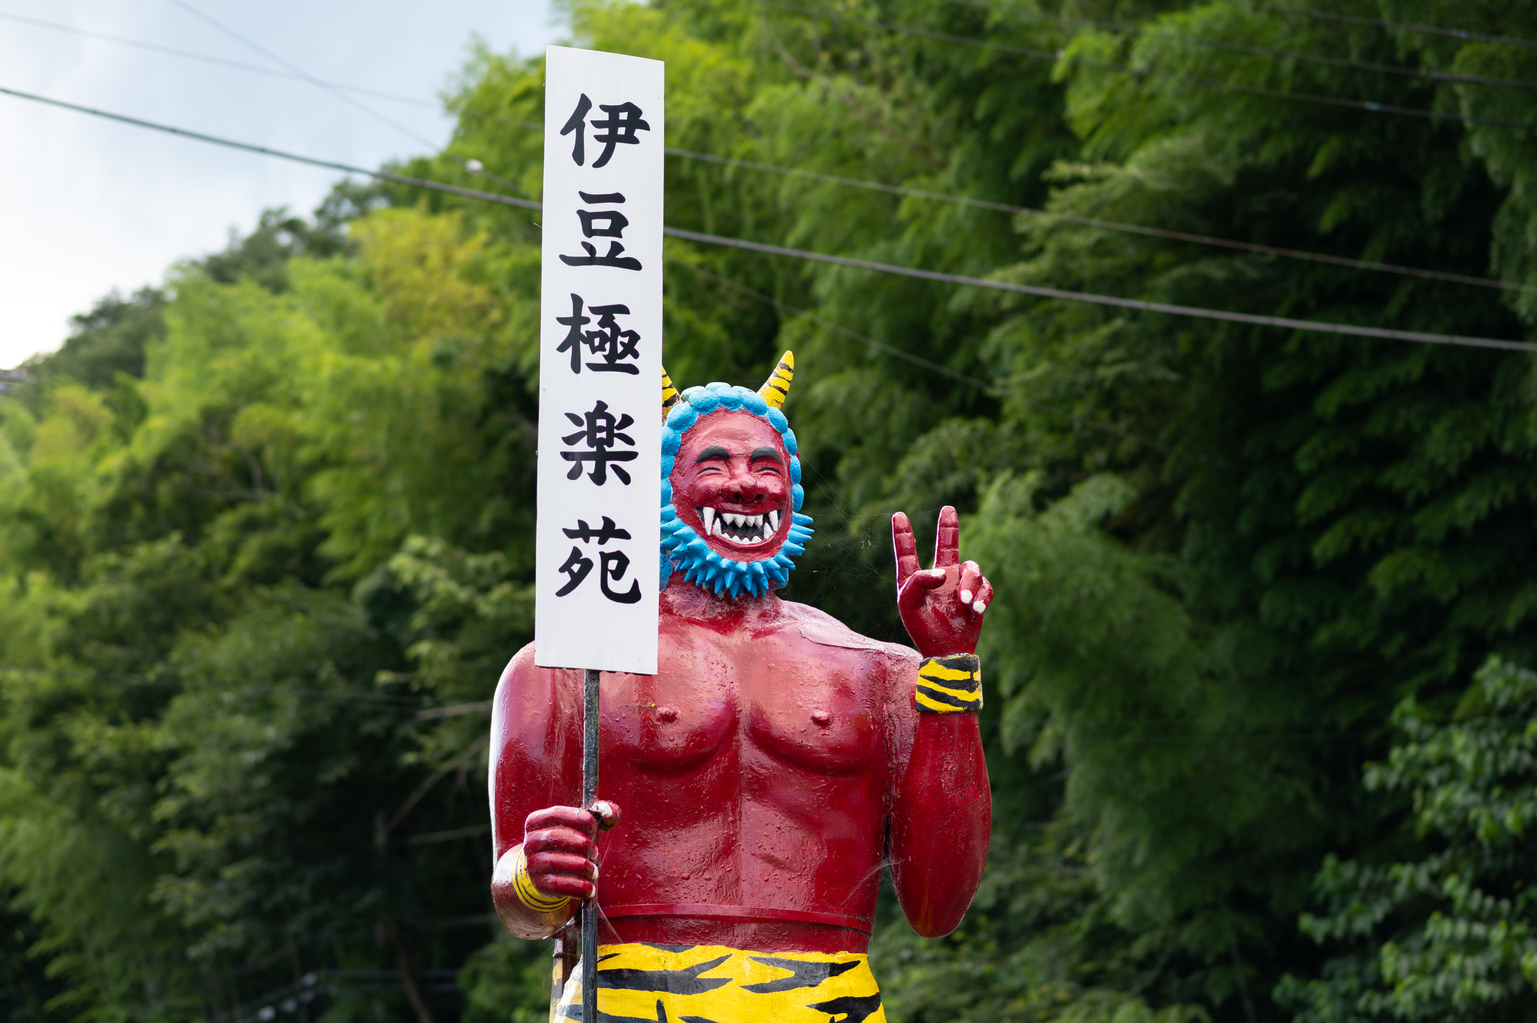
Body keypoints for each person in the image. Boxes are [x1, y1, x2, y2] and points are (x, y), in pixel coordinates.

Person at [489, 354, 993, 1023]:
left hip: (826, 1000)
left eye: (765, 466)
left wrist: (951, 665)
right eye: (714, 464)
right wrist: (536, 873)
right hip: (631, 999)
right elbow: (518, 901)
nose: (745, 484)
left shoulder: (878, 673)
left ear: (792, 489)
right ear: (662, 486)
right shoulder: (563, 668)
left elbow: (938, 905)